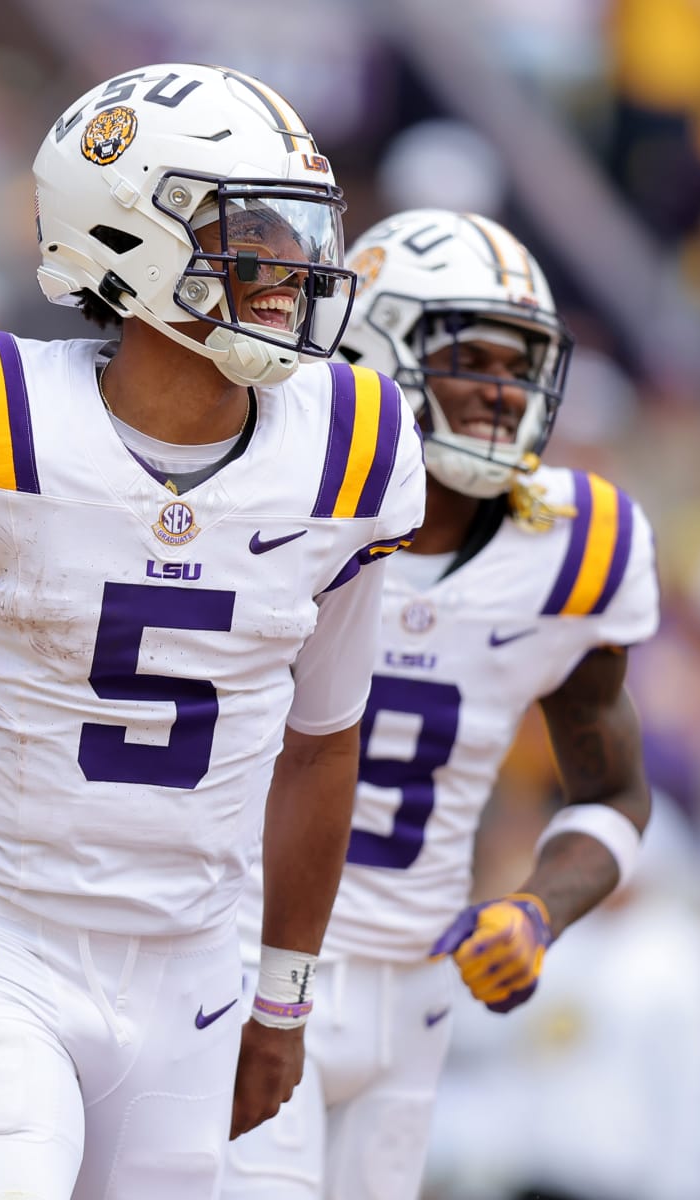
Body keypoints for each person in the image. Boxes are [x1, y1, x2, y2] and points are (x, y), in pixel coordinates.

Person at [0, 63, 425, 1200]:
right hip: (5, 944)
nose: (293, 268)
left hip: (200, 968)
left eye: (300, 232)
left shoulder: (347, 444)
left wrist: (284, 993)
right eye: (250, 230)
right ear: (126, 233)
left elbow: (324, 739)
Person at [222, 208, 660, 1199]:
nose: (506, 393)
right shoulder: (280, 496)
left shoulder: (575, 550)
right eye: (473, 356)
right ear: (372, 347)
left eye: (524, 363)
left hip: (418, 994)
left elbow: (618, 795)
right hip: (242, 965)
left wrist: (539, 912)